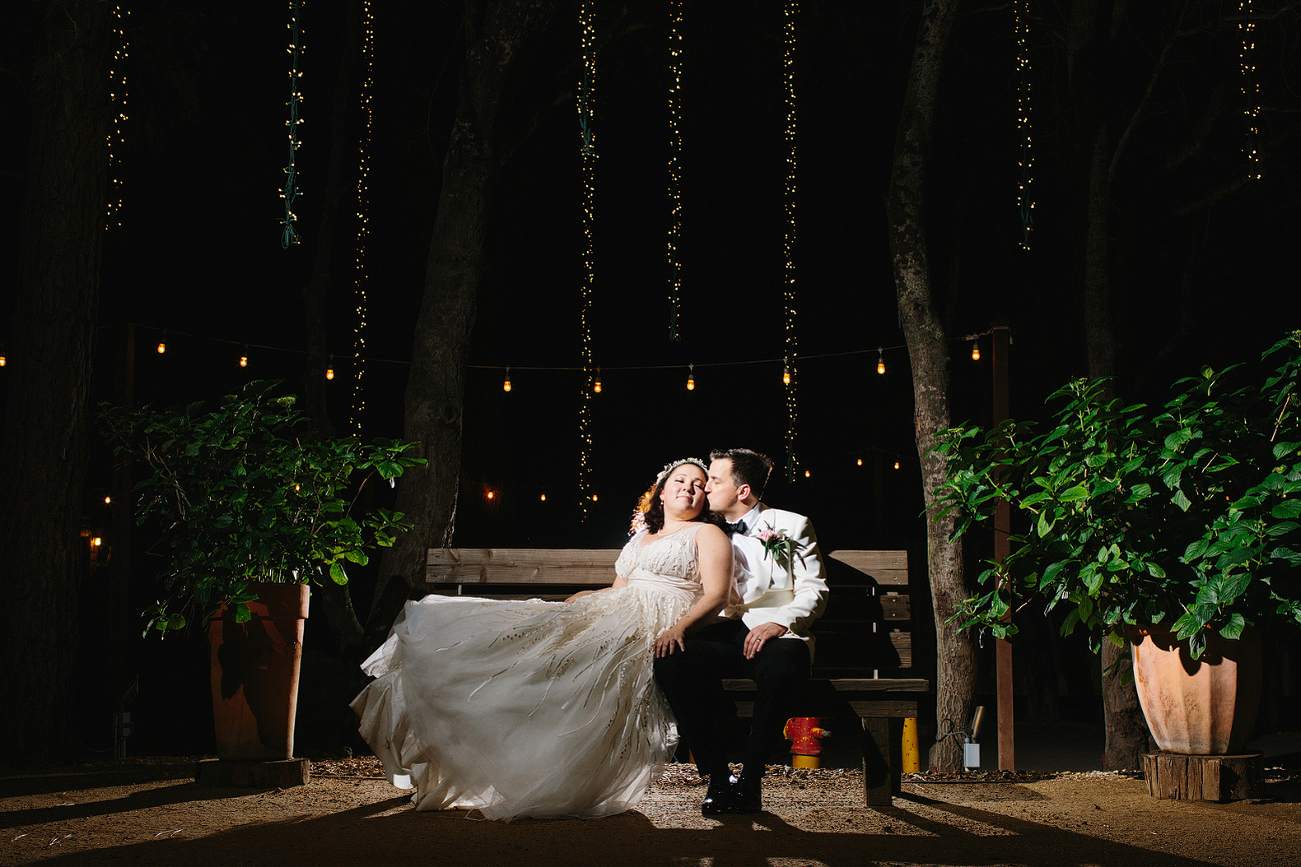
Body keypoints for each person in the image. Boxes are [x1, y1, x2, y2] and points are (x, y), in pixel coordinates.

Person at [350, 458, 733, 821]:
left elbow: (715, 595)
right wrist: (590, 599)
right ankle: (474, 742)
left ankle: (544, 767)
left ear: (705, 499)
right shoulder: (643, 536)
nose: (690, 488)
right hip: (620, 610)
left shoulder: (707, 533)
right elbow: (623, 587)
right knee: (532, 646)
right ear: (661, 492)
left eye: (699, 485)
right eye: (680, 481)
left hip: (660, 621)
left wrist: (678, 627)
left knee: (573, 668)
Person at [653, 448, 828, 815]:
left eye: (714, 481)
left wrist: (782, 622)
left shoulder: (791, 525)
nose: (706, 487)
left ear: (743, 491)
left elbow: (815, 588)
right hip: (721, 631)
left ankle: (750, 780)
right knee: (672, 661)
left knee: (784, 668)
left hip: (775, 632)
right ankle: (717, 778)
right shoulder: (700, 528)